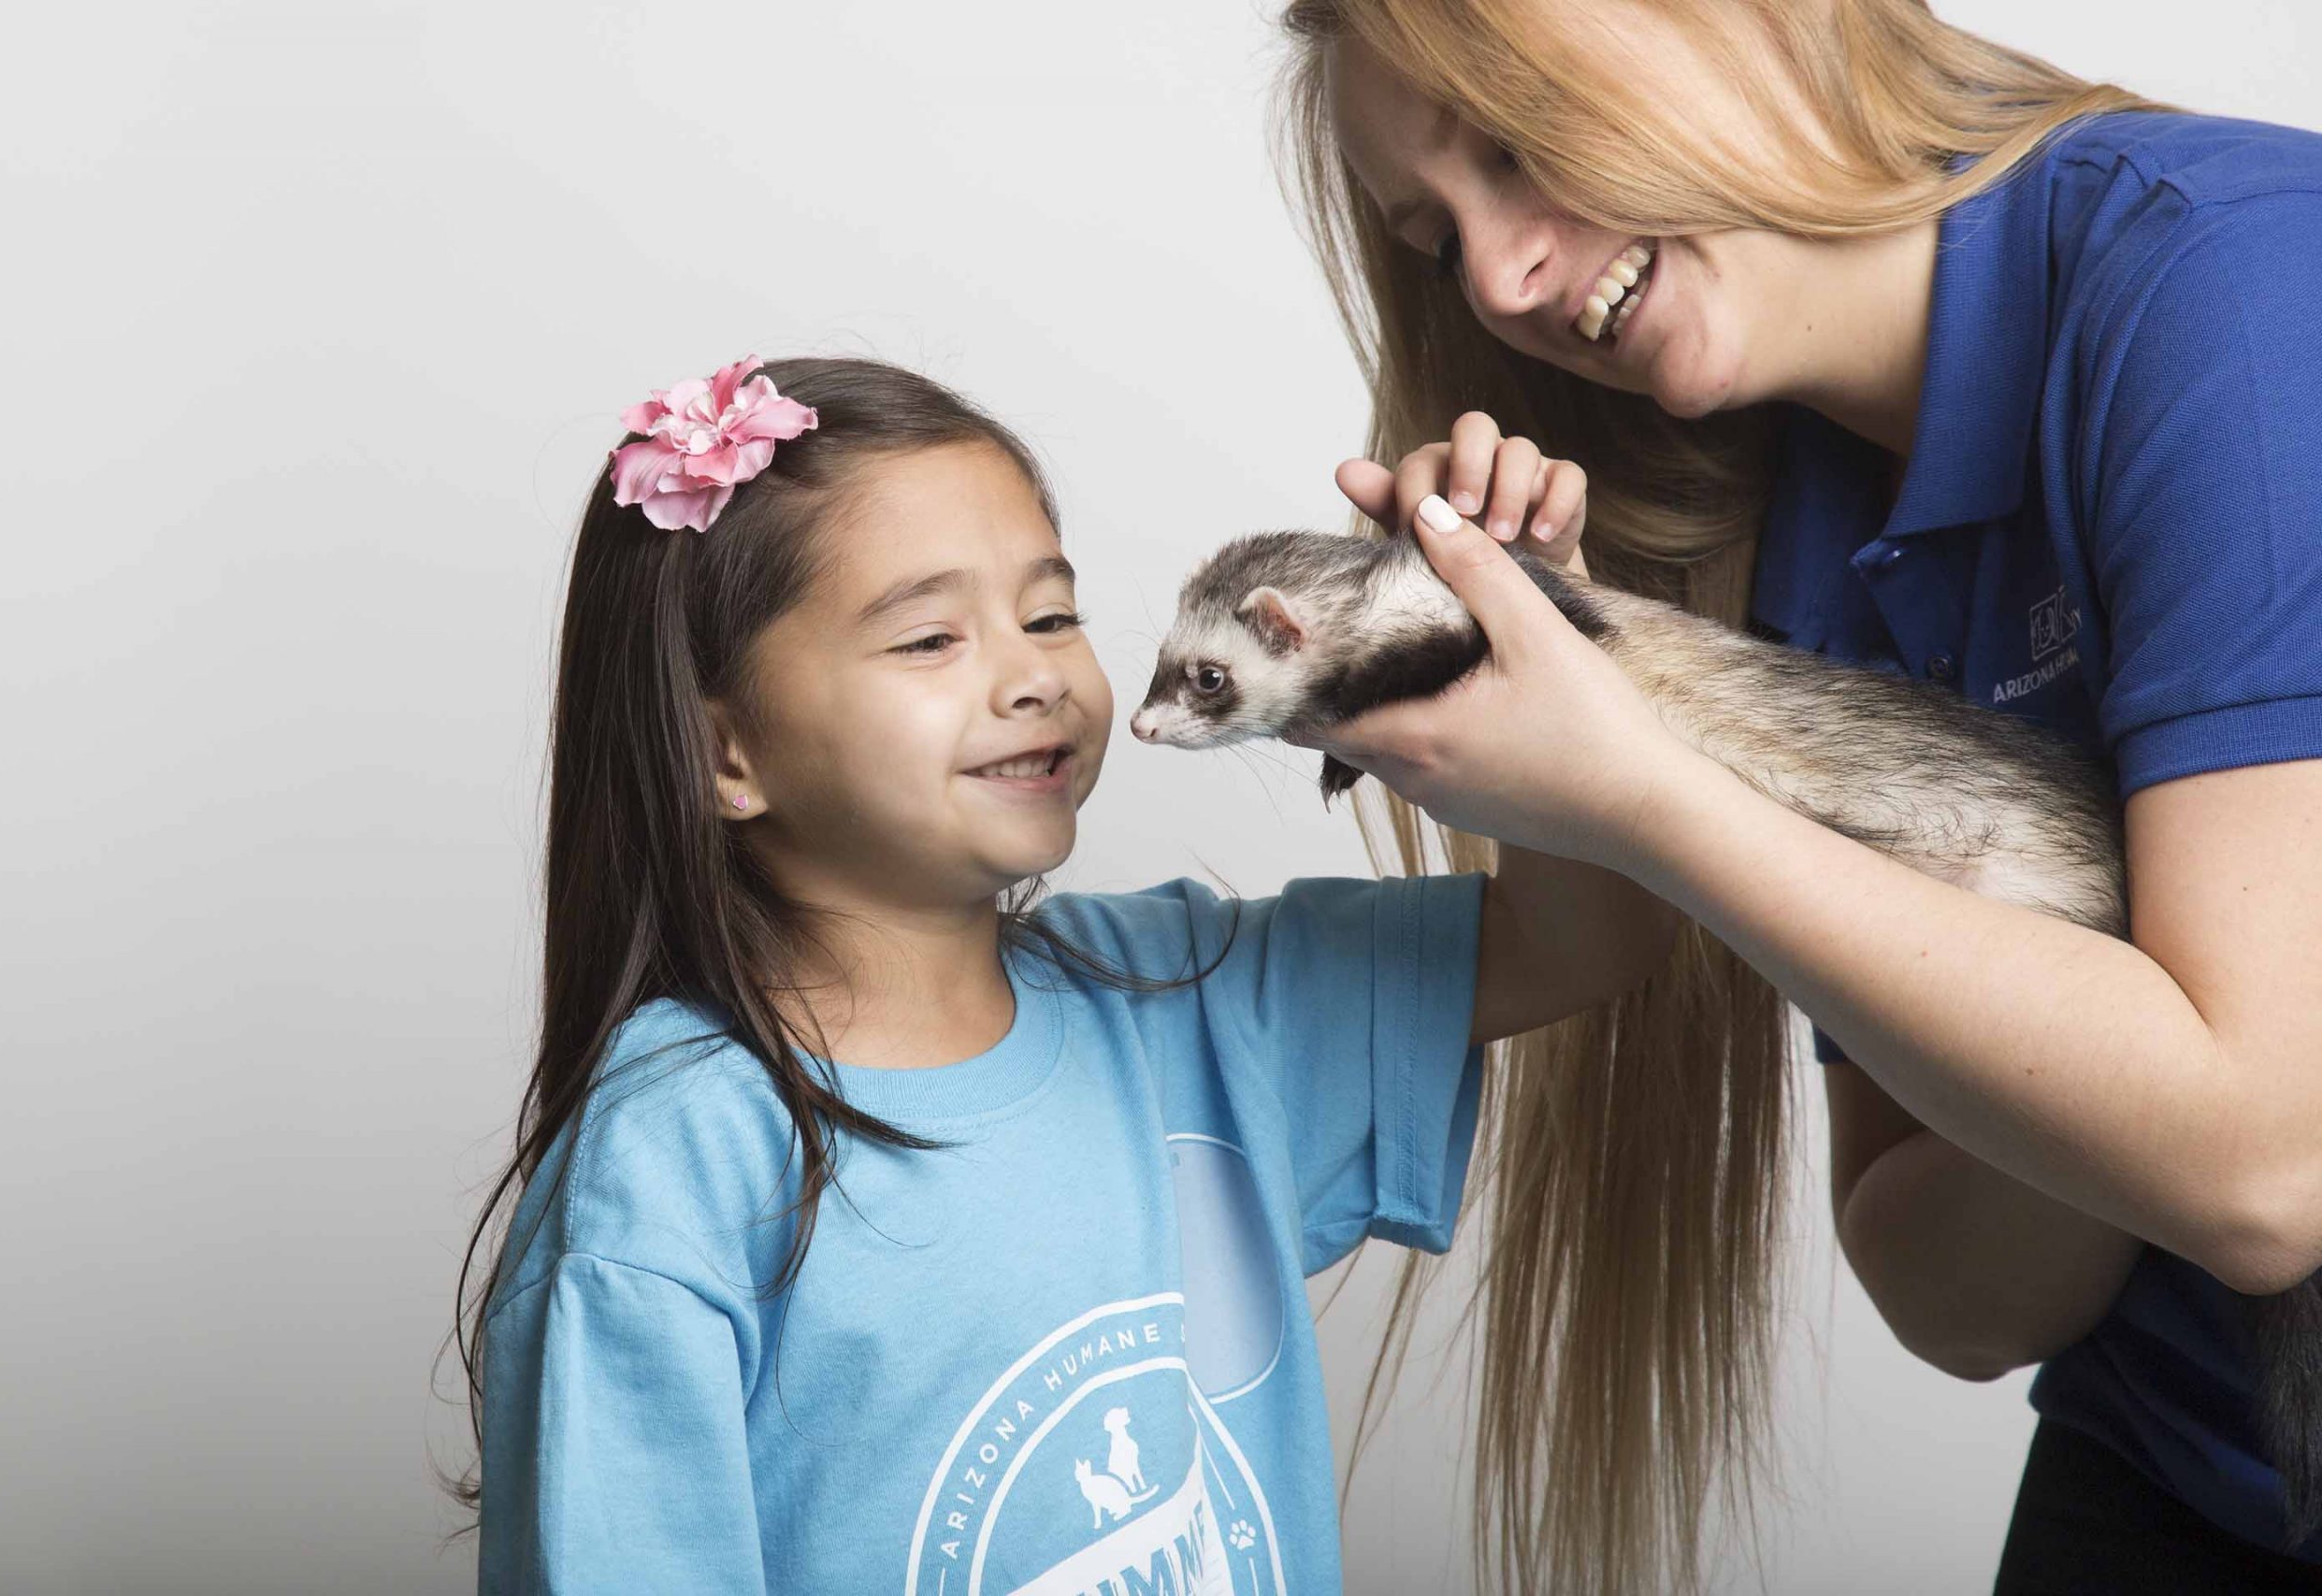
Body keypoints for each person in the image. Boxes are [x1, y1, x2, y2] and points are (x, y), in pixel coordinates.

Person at [1278, 2, 2322, 1590]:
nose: (1497, 281)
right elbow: (1956, 1298)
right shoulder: (1785, 526)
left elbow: (2266, 1178)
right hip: (2175, 1459)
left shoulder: (2237, 289)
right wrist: (1635, 683)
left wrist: (1646, 797)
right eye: (1438, 241)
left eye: (1517, 139)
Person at [447, 355, 1665, 1592]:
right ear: (726, 753)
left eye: (1050, 616)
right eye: (931, 636)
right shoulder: (673, 1170)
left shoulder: (1187, 999)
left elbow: (1595, 940)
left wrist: (1527, 631)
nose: (1034, 674)